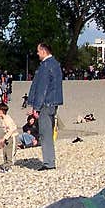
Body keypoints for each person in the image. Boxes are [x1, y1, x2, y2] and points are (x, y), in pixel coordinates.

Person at [26, 42, 63, 170]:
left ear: (43, 51)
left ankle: (49, 163)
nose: (37, 54)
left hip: (46, 103)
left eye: (38, 51)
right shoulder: (56, 64)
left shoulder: (45, 66)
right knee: (48, 131)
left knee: (45, 133)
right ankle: (50, 161)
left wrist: (36, 107)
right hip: (54, 102)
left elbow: (42, 88)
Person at [0, 101, 19, 172]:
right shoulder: (3, 119)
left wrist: (4, 138)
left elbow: (11, 129)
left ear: (1, 111)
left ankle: (9, 166)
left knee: (10, 152)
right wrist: (4, 138)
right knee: (5, 151)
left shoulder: (7, 119)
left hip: (13, 137)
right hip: (8, 137)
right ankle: (5, 165)